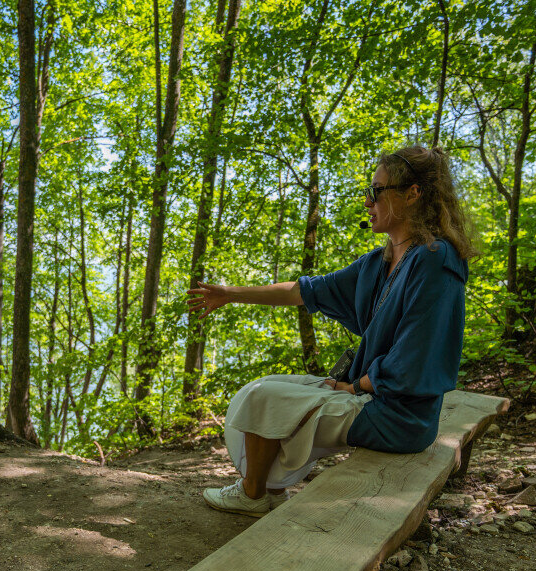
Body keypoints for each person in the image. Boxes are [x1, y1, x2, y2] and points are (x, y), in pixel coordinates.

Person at [187, 145, 477, 517]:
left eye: (376, 191)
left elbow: (419, 359)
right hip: (374, 399)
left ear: (412, 193)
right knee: (261, 388)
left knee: (266, 401)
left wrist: (355, 387)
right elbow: (306, 291)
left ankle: (253, 495)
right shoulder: (382, 260)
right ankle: (271, 490)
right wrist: (230, 294)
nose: (367, 201)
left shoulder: (434, 261)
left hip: (400, 418)